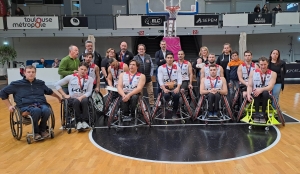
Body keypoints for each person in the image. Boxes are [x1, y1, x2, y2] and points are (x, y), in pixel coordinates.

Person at [0, 65, 61, 140]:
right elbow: (2, 93)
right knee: (36, 110)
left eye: (33, 72)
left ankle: (42, 129)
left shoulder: (40, 83)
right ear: (25, 73)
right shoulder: (16, 84)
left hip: (41, 104)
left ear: (35, 73)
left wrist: (58, 97)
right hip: (25, 106)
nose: (31, 74)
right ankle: (35, 132)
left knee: (47, 110)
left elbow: (49, 91)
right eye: (29, 72)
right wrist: (9, 106)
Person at [55, 62, 94, 130]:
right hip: (72, 98)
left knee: (85, 101)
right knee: (76, 101)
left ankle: (85, 121)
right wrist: (64, 94)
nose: (83, 71)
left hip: (83, 97)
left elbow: (89, 92)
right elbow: (56, 84)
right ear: (78, 68)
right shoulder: (71, 77)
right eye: (81, 69)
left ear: (87, 70)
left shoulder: (90, 79)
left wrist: (81, 97)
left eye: (85, 70)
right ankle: (78, 121)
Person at [247, 57, 277, 123]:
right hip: (255, 94)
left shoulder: (273, 73)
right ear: (259, 64)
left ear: (268, 64)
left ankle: (263, 114)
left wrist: (260, 89)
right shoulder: (253, 72)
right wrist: (248, 94)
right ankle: (257, 114)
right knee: (256, 92)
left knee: (265, 92)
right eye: (261, 64)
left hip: (267, 95)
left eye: (265, 64)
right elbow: (249, 85)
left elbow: (270, 87)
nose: (263, 66)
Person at [157, 52, 182, 116]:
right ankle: (169, 103)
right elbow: (160, 80)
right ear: (165, 59)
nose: (169, 59)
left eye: (171, 58)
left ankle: (174, 111)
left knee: (176, 96)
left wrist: (178, 88)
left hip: (174, 86)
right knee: (166, 96)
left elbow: (180, 79)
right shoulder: (161, 67)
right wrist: (164, 89)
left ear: (173, 58)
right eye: (168, 58)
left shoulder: (177, 67)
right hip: (165, 86)